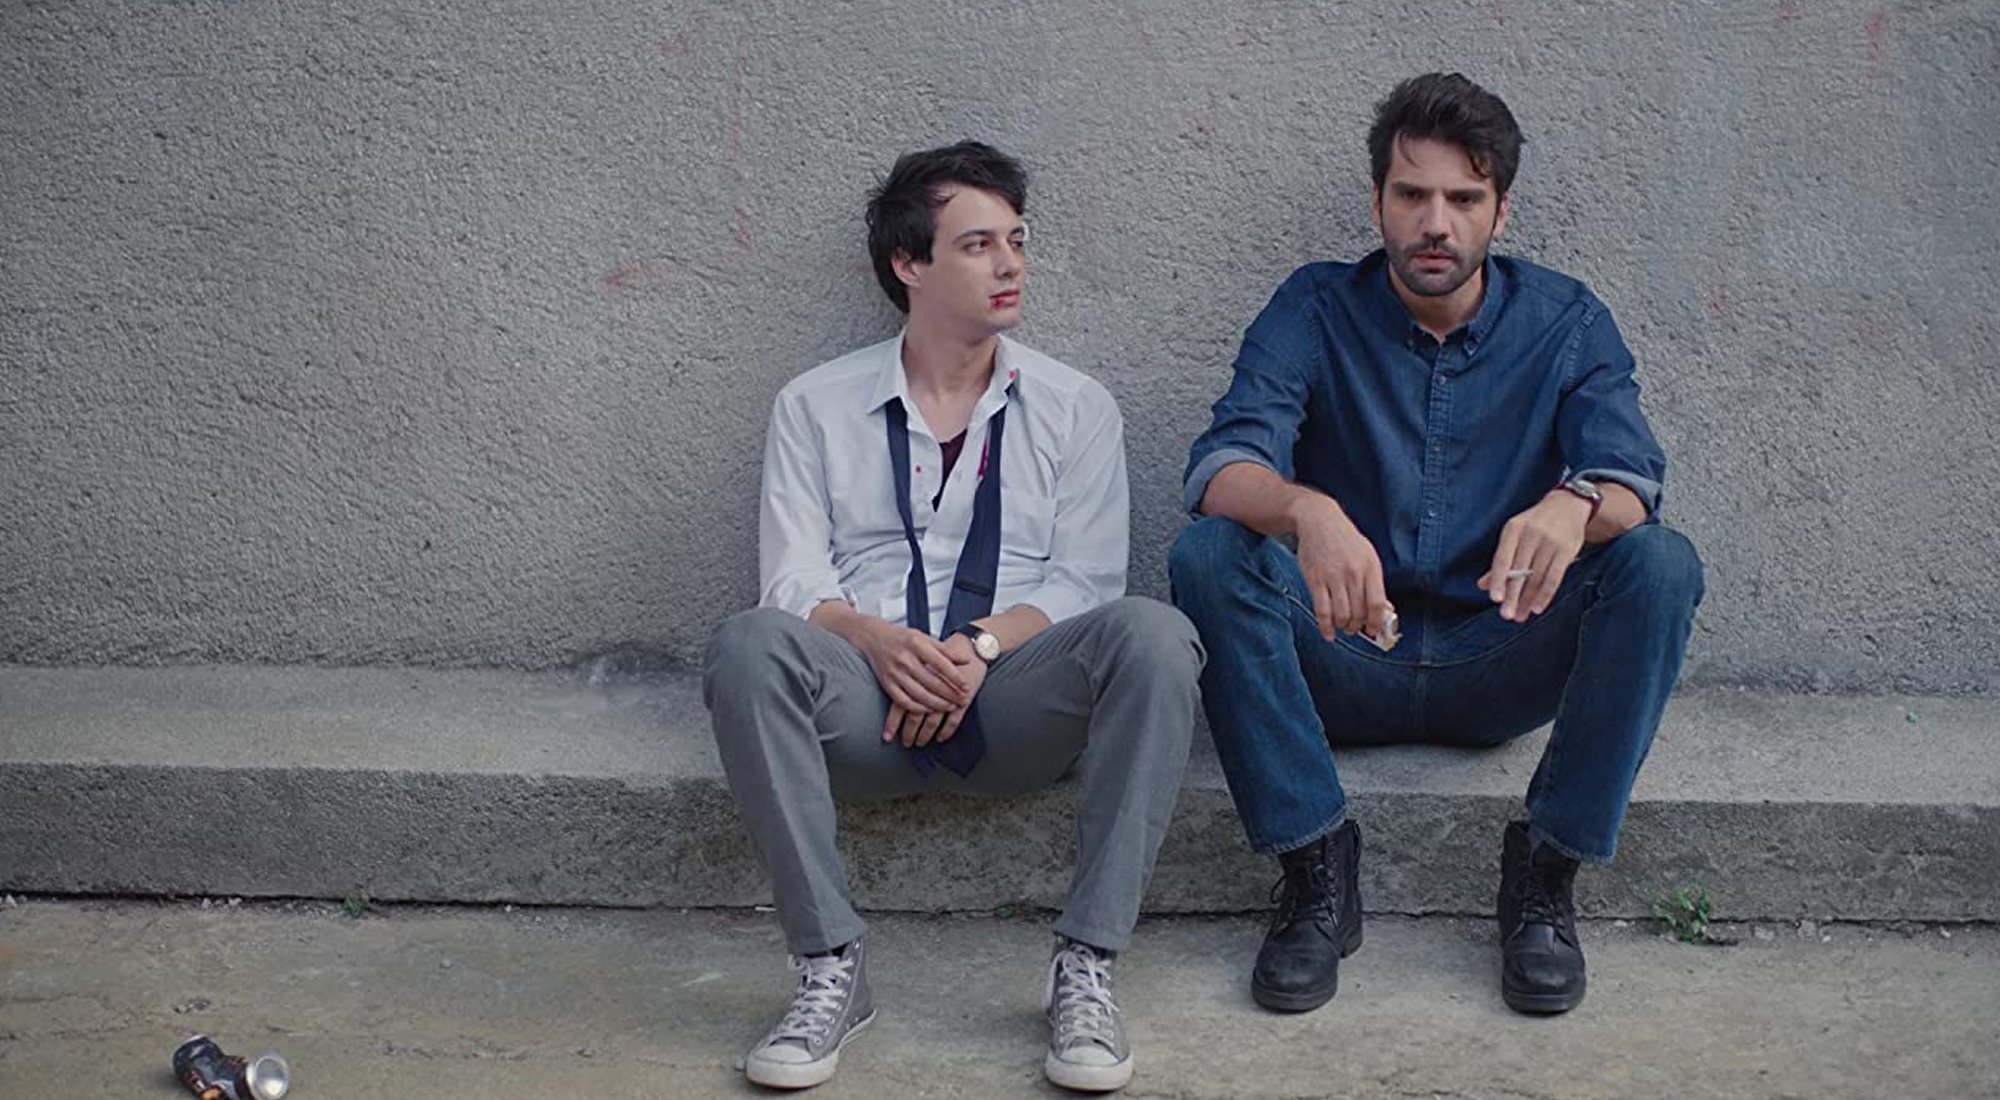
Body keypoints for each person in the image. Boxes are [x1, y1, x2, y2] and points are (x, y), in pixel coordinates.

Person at [1169, 74, 1704, 1017]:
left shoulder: (1566, 321)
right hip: (1341, 646)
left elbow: (1633, 480)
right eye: (1412, 194)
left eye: (1464, 198)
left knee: (1661, 564)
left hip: (1501, 655)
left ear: (1502, 210)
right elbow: (1221, 465)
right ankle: (1314, 868)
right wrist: (1308, 512)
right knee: (1210, 554)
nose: (1436, 224)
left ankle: (1545, 876)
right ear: (1377, 200)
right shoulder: (1315, 307)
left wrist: (1574, 504)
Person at [704, 140, 1203, 1092]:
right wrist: (876, 642)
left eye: (1016, 240)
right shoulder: (814, 405)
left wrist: (978, 646)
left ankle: (1086, 965)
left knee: (1153, 634)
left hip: (1016, 700)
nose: (1010, 264)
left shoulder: (1075, 406)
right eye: (978, 245)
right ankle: (829, 965)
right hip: (862, 706)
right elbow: (793, 580)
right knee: (746, 645)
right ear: (909, 263)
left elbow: (1088, 580)